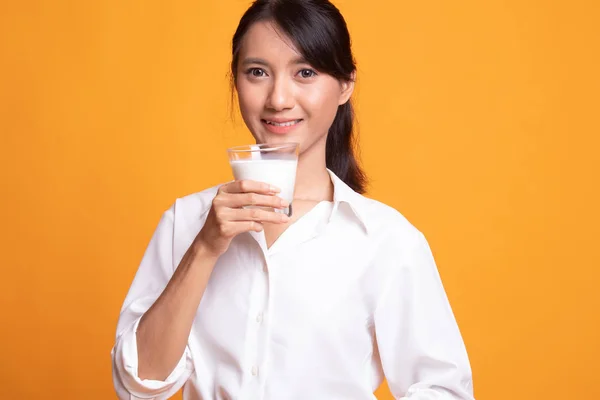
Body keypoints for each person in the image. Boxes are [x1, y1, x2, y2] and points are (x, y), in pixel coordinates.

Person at [111, 0, 475, 399]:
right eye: (257, 72)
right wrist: (205, 248)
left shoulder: (385, 240)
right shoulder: (186, 221)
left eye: (305, 72)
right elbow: (138, 386)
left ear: (345, 85)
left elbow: (444, 390)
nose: (278, 99)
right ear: (235, 81)